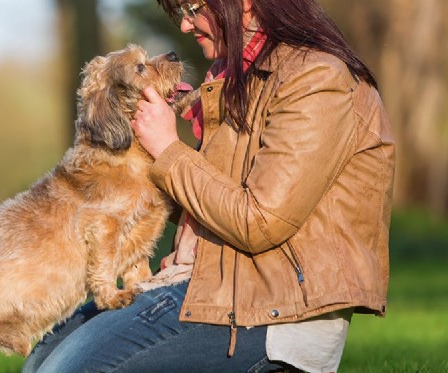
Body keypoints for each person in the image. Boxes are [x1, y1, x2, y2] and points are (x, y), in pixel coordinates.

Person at [22, 0, 394, 371]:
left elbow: (259, 221)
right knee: (42, 358)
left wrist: (167, 148)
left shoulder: (316, 78)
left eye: (193, 7)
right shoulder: (238, 77)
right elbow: (211, 199)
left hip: (273, 311)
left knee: (67, 369)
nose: (185, 26)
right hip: (208, 283)